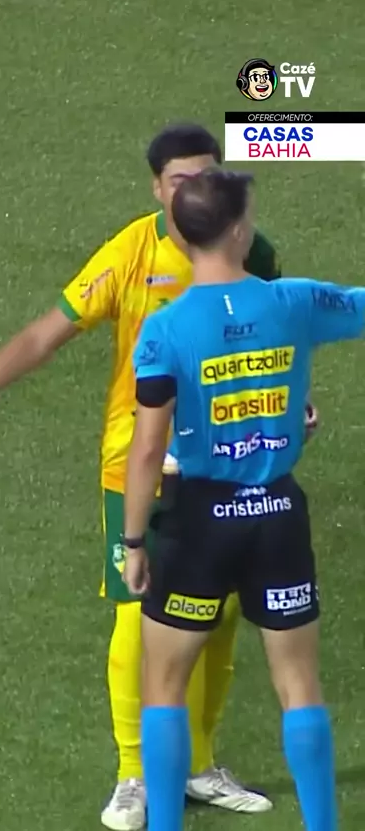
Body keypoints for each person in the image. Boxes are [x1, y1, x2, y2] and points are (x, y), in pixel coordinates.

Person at [0, 125, 290, 829]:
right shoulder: (130, 254)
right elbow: (44, 335)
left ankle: (197, 765)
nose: (194, 192)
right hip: (139, 463)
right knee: (141, 612)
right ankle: (135, 774)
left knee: (222, 613)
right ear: (157, 187)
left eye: (207, 177)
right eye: (180, 180)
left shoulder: (250, 250)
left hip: (230, 460)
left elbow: (270, 337)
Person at [121, 167, 357, 831]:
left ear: (180, 232)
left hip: (199, 521)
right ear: (237, 230)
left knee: (164, 688)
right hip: (278, 516)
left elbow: (147, 449)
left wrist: (134, 541)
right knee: (299, 687)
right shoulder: (295, 301)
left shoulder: (164, 331)